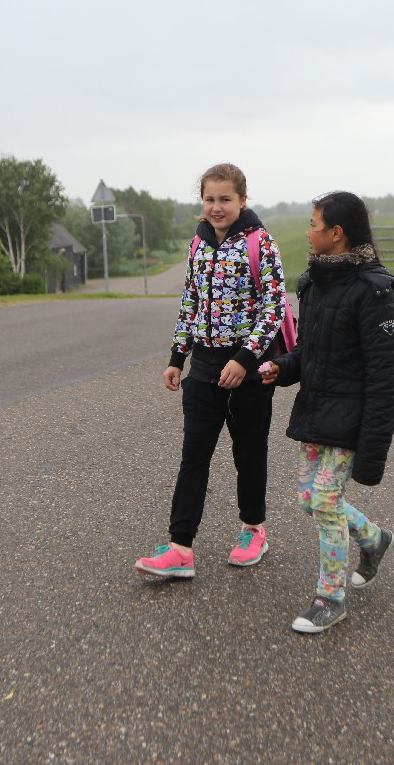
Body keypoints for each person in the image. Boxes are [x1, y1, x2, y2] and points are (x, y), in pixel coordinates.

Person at [135, 163, 290, 579]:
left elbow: (274, 307)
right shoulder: (198, 243)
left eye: (225, 199)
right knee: (194, 457)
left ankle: (253, 529)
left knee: (249, 454)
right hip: (203, 369)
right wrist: (177, 357)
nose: (216, 207)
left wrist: (245, 359)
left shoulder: (261, 242)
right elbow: (190, 300)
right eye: (209, 199)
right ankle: (180, 548)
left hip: (248, 372)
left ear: (243, 200)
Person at [259, 191, 394, 634]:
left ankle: (330, 599)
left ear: (336, 233)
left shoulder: (373, 292)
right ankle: (374, 539)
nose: (308, 232)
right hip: (318, 412)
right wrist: (281, 367)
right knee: (310, 499)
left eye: (314, 224)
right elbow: (308, 351)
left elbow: (387, 377)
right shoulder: (314, 283)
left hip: (351, 419)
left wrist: (373, 449)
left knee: (324, 500)